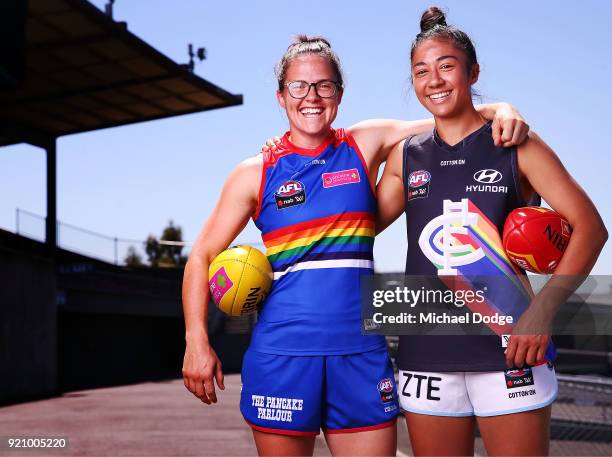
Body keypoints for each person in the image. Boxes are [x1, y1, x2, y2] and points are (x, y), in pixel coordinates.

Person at [182, 35, 529, 456]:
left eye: (323, 86)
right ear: (280, 96)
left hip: (361, 354)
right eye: (298, 86)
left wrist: (502, 109)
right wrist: (196, 340)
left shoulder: (364, 143)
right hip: (283, 355)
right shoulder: (253, 173)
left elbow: (448, 116)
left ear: (339, 94)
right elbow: (200, 255)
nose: (311, 97)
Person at [375, 7, 608, 456]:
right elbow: (357, 224)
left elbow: (591, 228)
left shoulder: (515, 142)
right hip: (427, 348)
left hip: (511, 346)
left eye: (447, 66)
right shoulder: (406, 157)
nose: (435, 80)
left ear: (472, 71)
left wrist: (543, 312)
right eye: (421, 72)